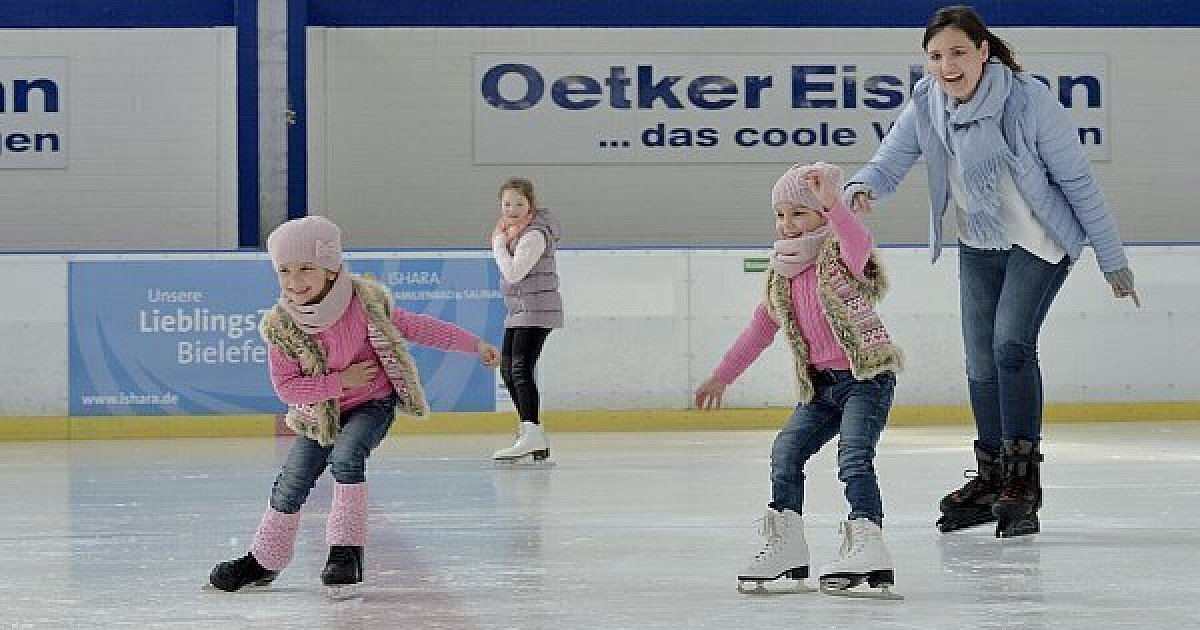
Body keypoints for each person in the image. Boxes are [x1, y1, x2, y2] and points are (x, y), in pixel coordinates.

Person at [844, 5, 1137, 538]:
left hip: (1040, 241)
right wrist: (860, 187)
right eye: (935, 57)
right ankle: (991, 477)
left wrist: (1112, 259)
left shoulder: (1028, 100)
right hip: (979, 242)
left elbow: (1077, 181)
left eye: (957, 52)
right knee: (979, 363)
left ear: (983, 51)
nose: (947, 66)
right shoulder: (928, 101)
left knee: (1010, 347)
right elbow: (890, 159)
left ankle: (1023, 483)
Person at [208, 215, 500, 593]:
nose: (294, 281)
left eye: (305, 269)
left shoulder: (363, 304)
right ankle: (264, 560)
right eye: (285, 271)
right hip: (320, 414)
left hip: (371, 404)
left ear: (330, 270)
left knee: (346, 457)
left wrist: (475, 345)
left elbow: (418, 327)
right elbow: (287, 388)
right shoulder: (282, 326)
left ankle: (345, 553)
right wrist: (338, 382)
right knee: (291, 482)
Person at [695, 163, 904, 599]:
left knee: (854, 458)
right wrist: (721, 377)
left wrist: (832, 201)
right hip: (821, 387)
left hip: (865, 378)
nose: (787, 225)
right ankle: (788, 543)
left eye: (800, 214)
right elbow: (758, 331)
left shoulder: (841, 258)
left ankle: (869, 542)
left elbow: (858, 238)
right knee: (785, 453)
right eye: (780, 215)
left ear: (824, 216)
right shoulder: (781, 275)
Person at [490, 178, 563, 465]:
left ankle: (531, 431)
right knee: (508, 371)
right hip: (520, 310)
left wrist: (497, 247)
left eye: (519, 203)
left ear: (530, 204)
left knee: (519, 370)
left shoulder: (533, 234)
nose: (513, 209)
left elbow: (514, 273)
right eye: (507, 203)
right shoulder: (510, 232)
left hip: (536, 309)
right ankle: (532, 434)